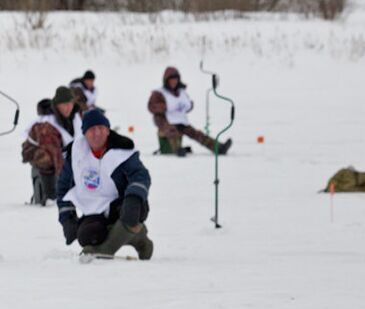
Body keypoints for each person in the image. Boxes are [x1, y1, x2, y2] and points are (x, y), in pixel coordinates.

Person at [57, 110, 153, 260]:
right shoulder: (75, 153)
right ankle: (134, 235)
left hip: (124, 204)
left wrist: (134, 197)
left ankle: (107, 249)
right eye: (91, 130)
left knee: (132, 212)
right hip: (96, 209)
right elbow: (63, 187)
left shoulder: (123, 151)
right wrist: (67, 217)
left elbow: (140, 175)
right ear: (84, 133)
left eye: (101, 128)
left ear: (108, 130)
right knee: (86, 236)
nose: (97, 133)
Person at [147, 66, 232, 157]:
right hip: (165, 122)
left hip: (180, 121)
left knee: (197, 134)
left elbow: (188, 105)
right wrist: (166, 106)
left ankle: (219, 148)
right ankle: (178, 150)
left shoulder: (181, 92)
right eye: (171, 80)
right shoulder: (159, 93)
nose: (174, 82)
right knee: (172, 131)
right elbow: (151, 106)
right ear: (166, 80)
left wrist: (189, 105)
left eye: (175, 79)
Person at [21, 87, 82, 205]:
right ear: (57, 105)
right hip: (39, 152)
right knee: (47, 158)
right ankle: (50, 196)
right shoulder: (46, 124)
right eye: (64, 104)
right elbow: (54, 153)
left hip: (62, 151)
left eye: (70, 103)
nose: (68, 107)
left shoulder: (75, 117)